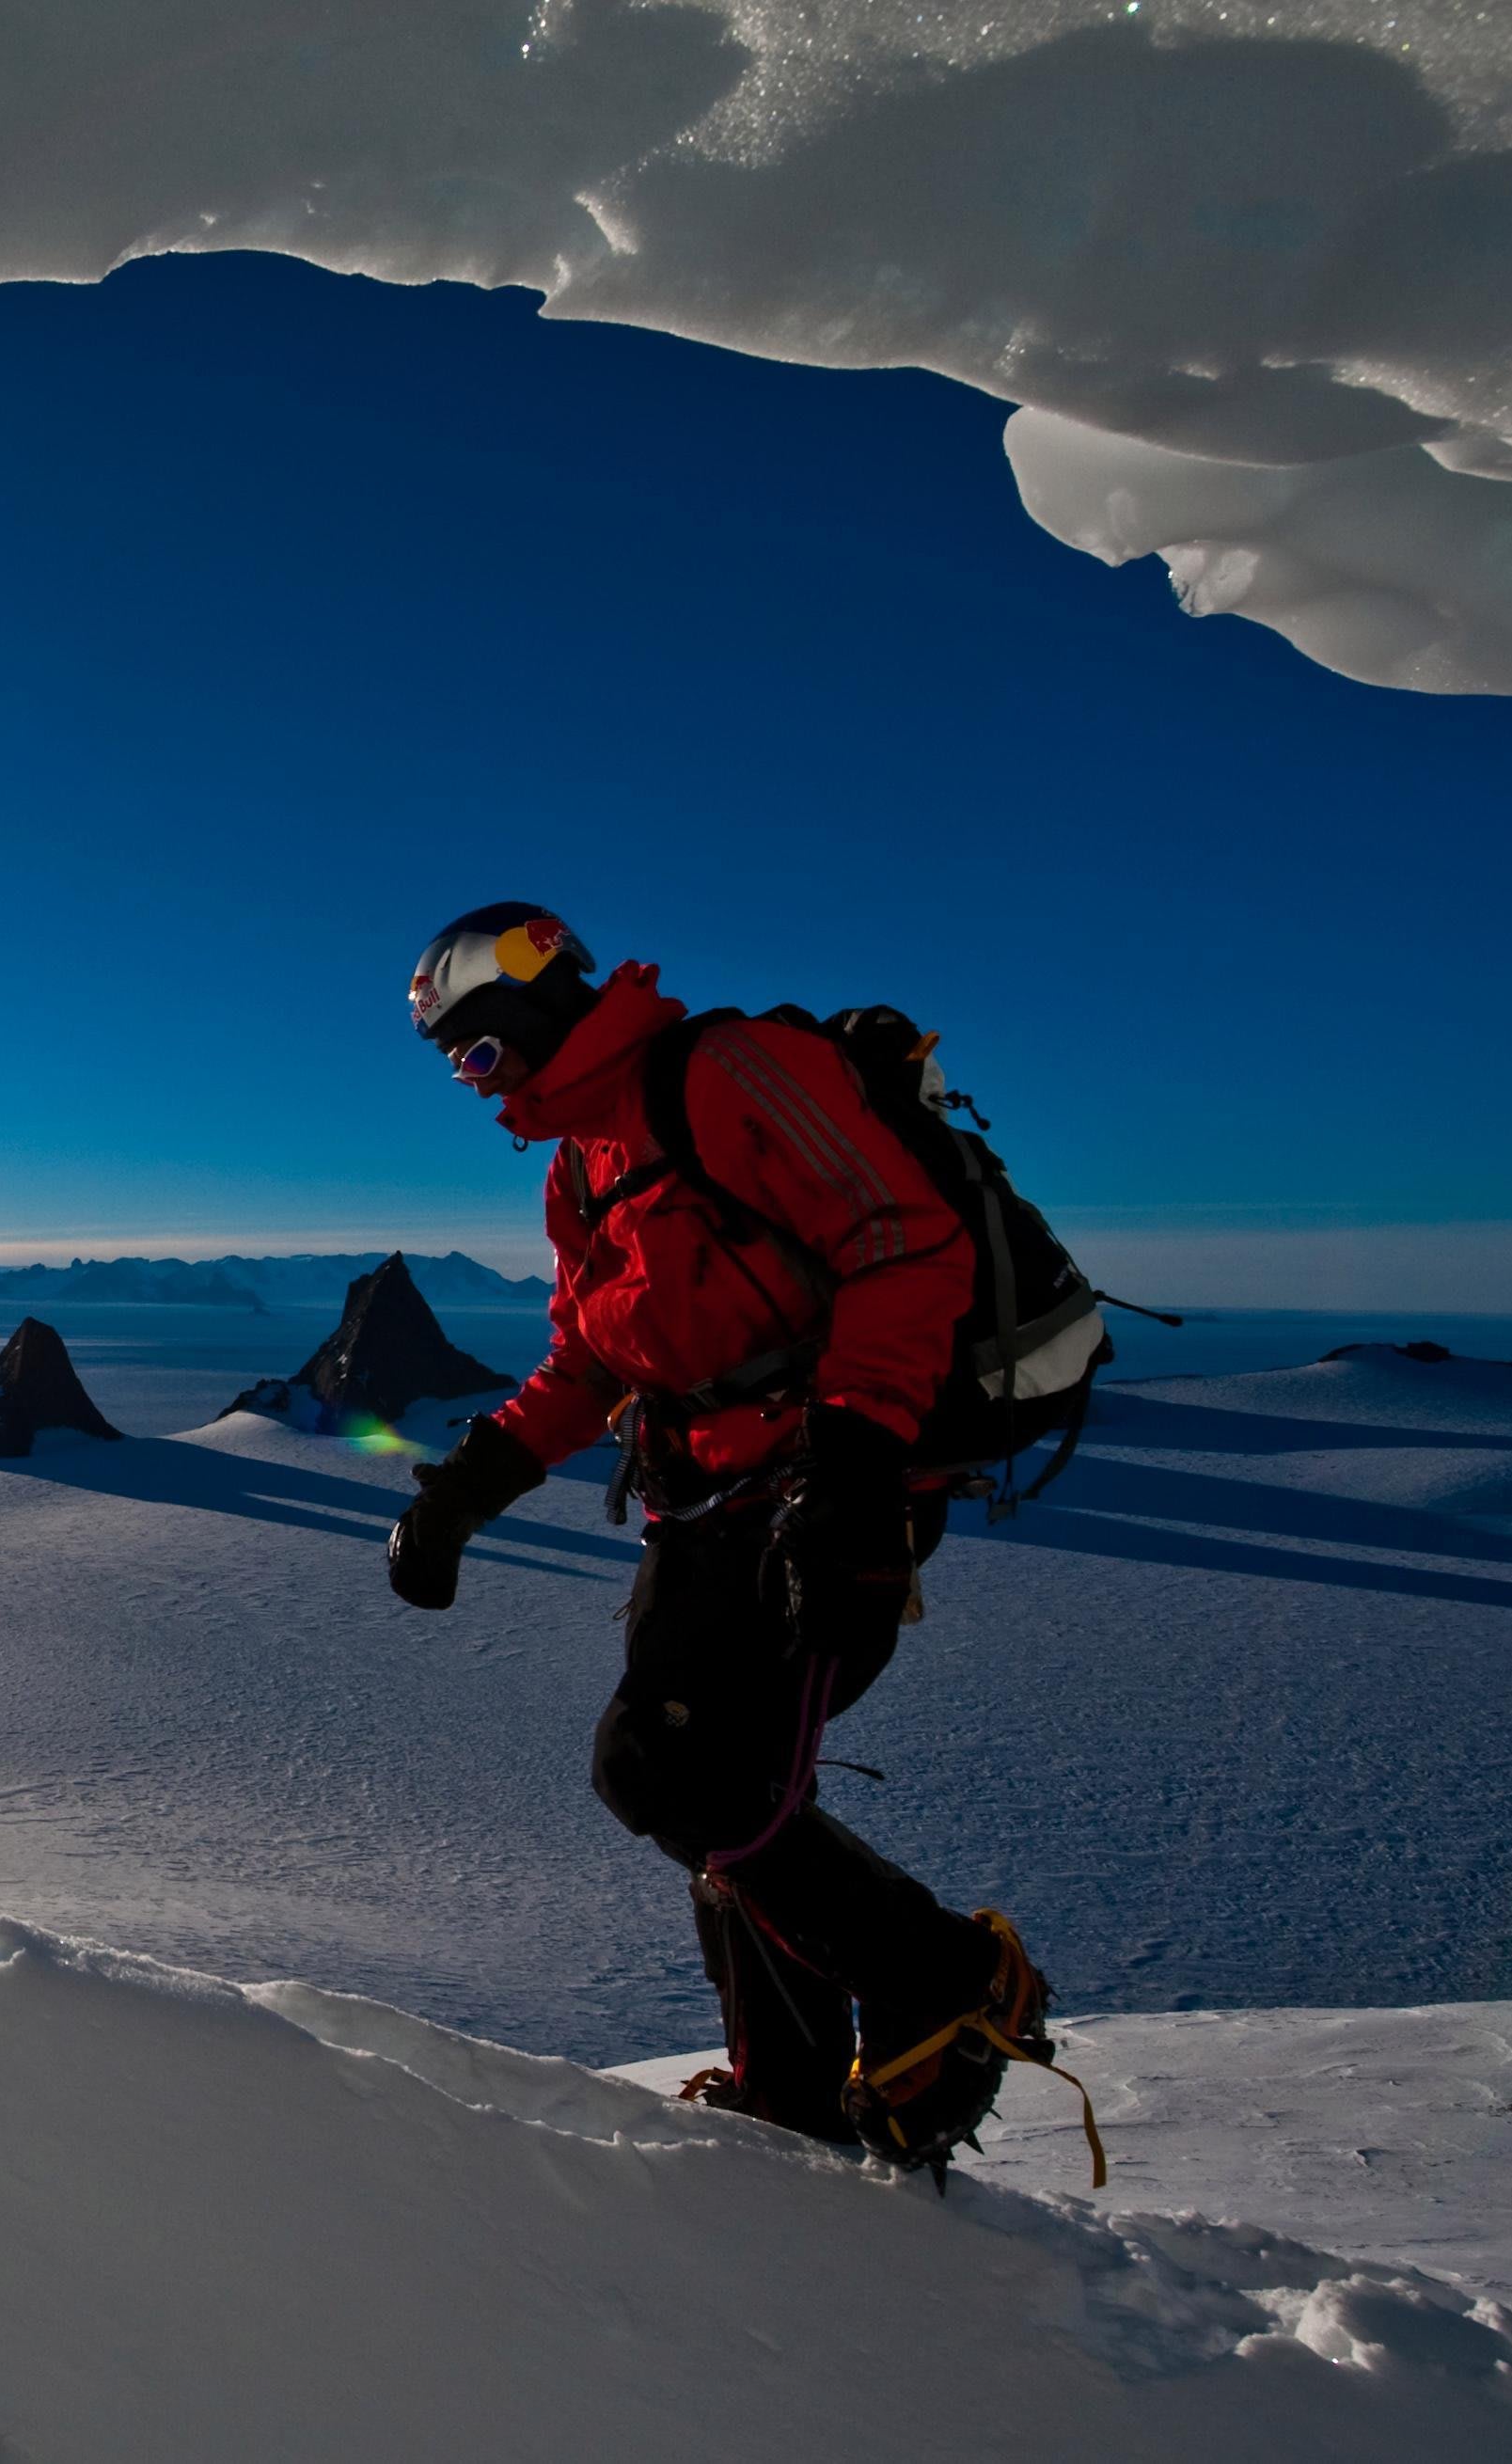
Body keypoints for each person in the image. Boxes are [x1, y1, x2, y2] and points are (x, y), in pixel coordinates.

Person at [388, 900, 1053, 2171]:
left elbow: (904, 1248)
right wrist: (470, 1484)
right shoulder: (581, 1163)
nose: (476, 1086)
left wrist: (856, 1474)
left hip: (822, 1495)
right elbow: (589, 1354)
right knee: (724, 1795)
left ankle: (953, 1982)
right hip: (695, 1511)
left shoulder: (730, 1071)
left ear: (533, 1004)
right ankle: (788, 2099)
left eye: (476, 1052)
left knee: (669, 1775)